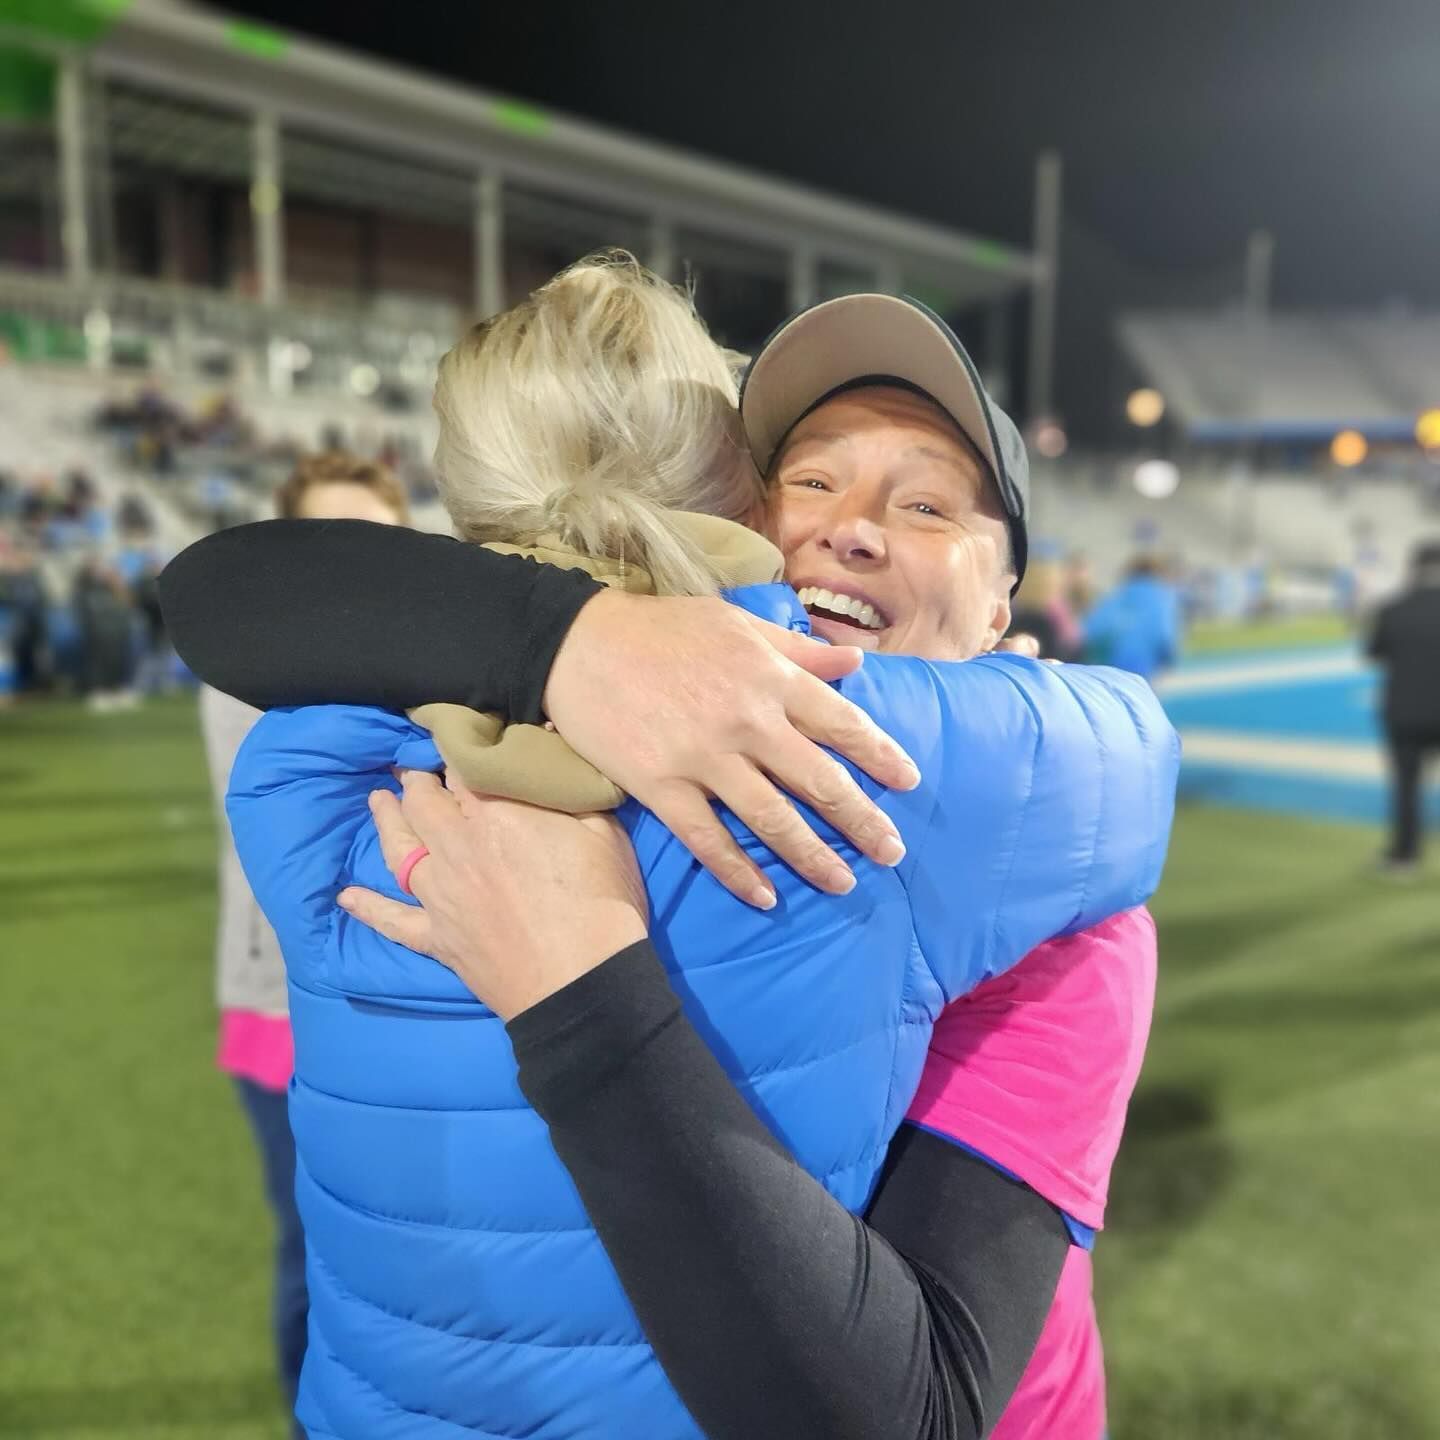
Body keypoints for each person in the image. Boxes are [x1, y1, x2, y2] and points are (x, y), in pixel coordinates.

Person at [163, 260, 1177, 1439]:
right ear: (740, 508)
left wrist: (580, 982)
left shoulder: (320, 772)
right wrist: (577, 642)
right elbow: (1135, 747)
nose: (849, 528)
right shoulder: (965, 774)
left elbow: (232, 595)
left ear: (1005, 606)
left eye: (928, 507)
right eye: (810, 478)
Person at [198, 451, 410, 1440]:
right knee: (313, 1250)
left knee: (395, 1251)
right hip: (283, 1008)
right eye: (327, 536)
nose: (352, 560)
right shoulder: (246, 671)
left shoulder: (415, 661)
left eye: (373, 537)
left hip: (396, 1006)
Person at [1368, 539, 1440, 871]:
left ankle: (1405, 855)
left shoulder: (1393, 608)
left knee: (1406, 786)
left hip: (1405, 710)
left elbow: (1374, 653)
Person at [1082, 555, 1181, 681]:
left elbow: (1092, 632)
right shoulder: (1162, 600)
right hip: (1143, 669)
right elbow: (1166, 638)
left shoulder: (1114, 597)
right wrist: (1168, 661)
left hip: (1109, 670)